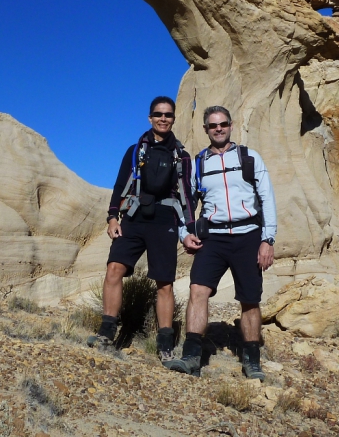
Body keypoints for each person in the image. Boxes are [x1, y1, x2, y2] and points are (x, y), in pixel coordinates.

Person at [164, 105, 276, 380]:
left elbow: (267, 198)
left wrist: (268, 239)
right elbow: (187, 203)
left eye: (223, 124)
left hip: (248, 235)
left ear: (231, 125)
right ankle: (191, 356)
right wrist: (184, 233)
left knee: (250, 299)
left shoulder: (249, 158)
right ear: (205, 129)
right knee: (197, 290)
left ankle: (252, 361)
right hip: (212, 237)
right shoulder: (200, 163)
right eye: (213, 125)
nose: (218, 129)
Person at [88, 96, 195, 362]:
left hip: (164, 220)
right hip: (134, 217)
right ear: (150, 118)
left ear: (173, 118)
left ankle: (165, 345)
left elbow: (187, 196)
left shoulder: (181, 156)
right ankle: (106, 333)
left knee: (164, 283)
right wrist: (113, 218)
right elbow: (119, 185)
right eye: (158, 114)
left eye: (168, 115)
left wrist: (190, 228)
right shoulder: (136, 150)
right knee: (114, 268)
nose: (163, 118)